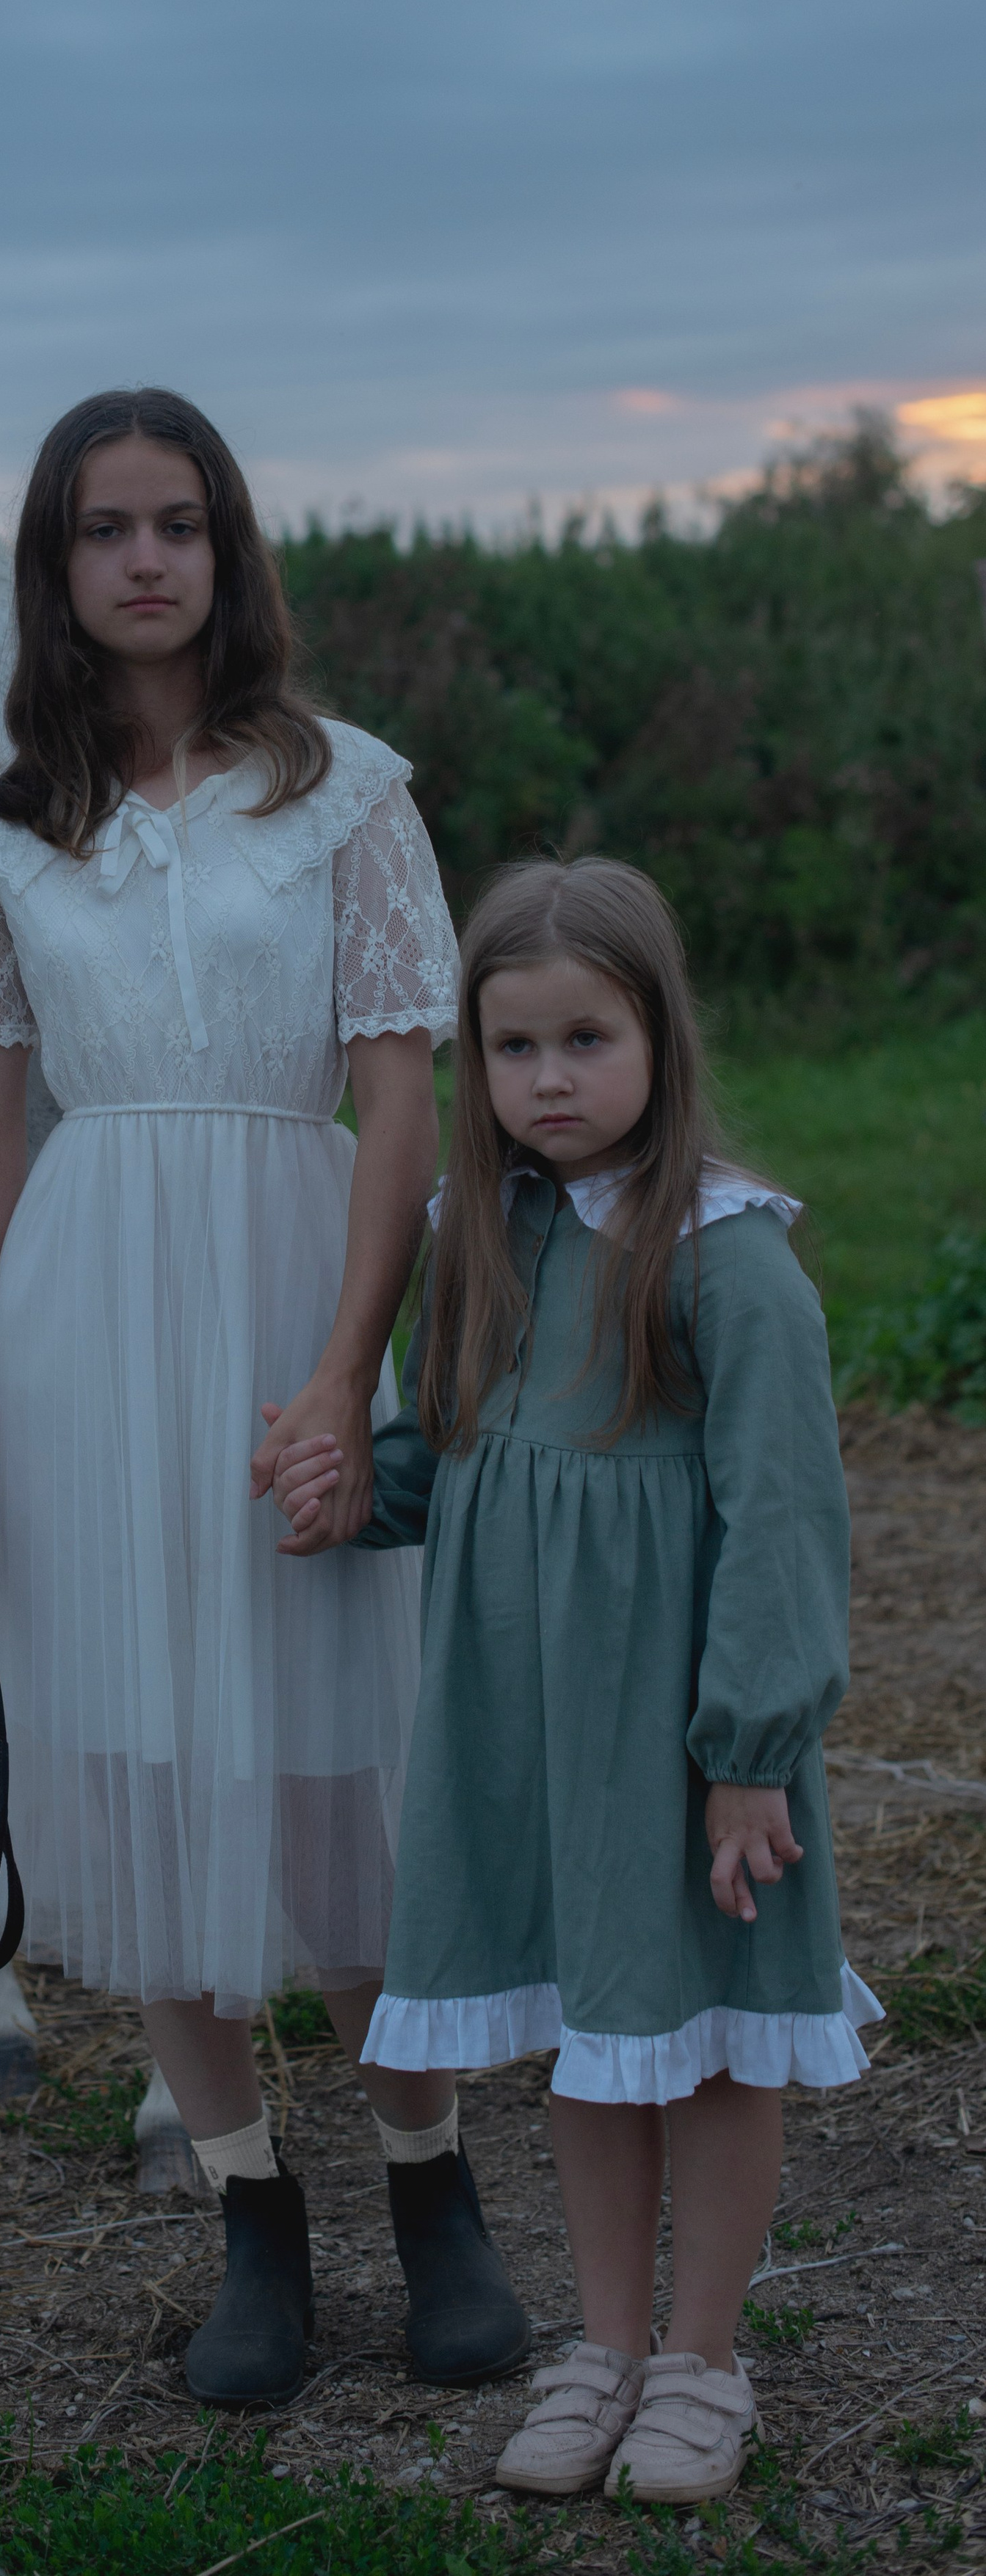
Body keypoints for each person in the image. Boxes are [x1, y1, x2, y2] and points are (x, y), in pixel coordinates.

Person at [0, 387, 527, 2409]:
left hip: (280, 1290)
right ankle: (254, 2216)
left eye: (179, 525)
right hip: (82, 1330)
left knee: (340, 1770)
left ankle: (429, 2186)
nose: (145, 561)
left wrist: (343, 1376)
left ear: (228, 554)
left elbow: (404, 1094)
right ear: (54, 572)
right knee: (144, 1766)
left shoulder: (344, 799)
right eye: (101, 531)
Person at [273, 855, 879, 2503]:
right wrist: (346, 1499)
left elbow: (781, 1521)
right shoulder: (471, 1242)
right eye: (512, 1047)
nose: (548, 1080)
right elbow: (451, 1467)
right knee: (591, 2046)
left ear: (657, 1044)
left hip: (686, 1744)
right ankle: (599, 2347)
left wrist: (749, 1751)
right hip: (524, 1733)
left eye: (584, 1041)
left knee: (715, 2044)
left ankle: (698, 2363)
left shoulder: (725, 1257)